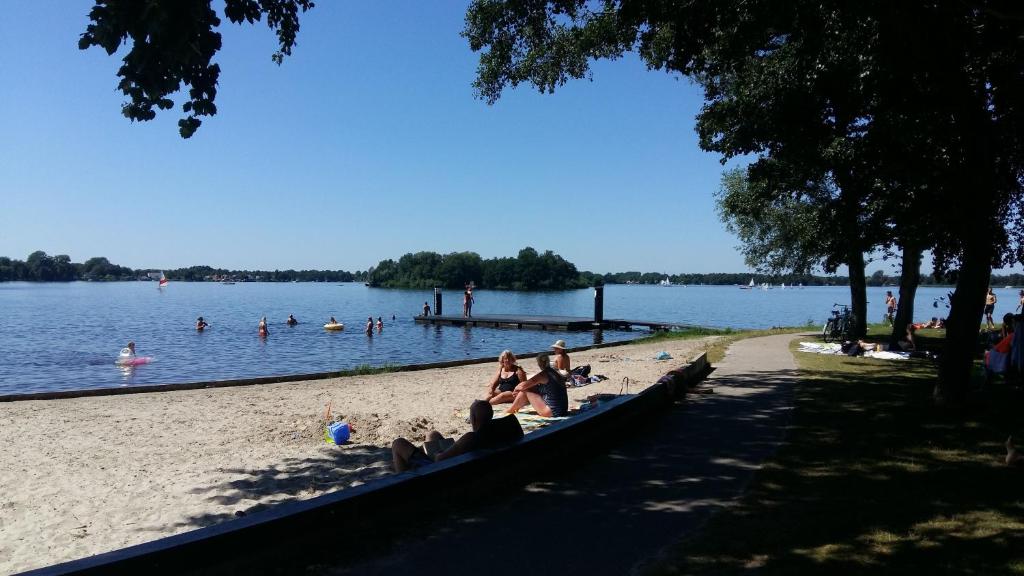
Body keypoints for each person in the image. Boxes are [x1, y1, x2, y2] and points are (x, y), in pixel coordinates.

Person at [391, 400, 523, 472]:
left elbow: (439, 460)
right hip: (482, 464)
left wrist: (436, 452)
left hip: (444, 473)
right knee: (432, 434)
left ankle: (403, 478)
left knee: (398, 443)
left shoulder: (471, 437)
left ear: (473, 419)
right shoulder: (506, 428)